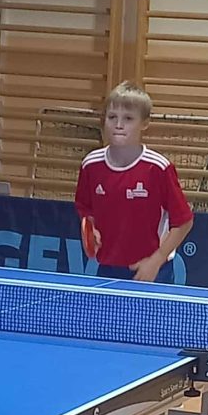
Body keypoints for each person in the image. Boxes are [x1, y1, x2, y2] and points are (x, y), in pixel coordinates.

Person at [74, 81, 193, 283]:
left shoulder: (158, 168)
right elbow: (85, 207)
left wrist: (156, 261)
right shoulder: (91, 165)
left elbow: (183, 221)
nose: (118, 124)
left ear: (144, 124)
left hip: (153, 270)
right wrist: (90, 227)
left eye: (128, 118)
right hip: (108, 267)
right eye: (112, 117)